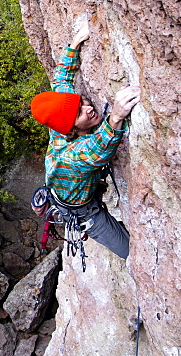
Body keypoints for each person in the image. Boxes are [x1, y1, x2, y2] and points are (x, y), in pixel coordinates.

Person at [29, 23, 140, 261]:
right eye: (81, 113)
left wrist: (74, 44)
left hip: (69, 188)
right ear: (72, 128)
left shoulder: (61, 124)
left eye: (82, 103)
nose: (88, 108)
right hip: (84, 212)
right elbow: (97, 151)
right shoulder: (72, 156)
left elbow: (61, 81)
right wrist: (117, 116)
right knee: (130, 252)